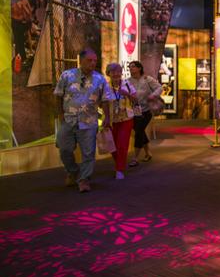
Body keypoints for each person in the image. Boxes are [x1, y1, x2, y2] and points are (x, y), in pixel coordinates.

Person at [54, 49, 114, 192]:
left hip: (89, 121)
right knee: (64, 149)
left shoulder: (100, 79)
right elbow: (58, 95)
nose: (93, 63)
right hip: (68, 120)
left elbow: (105, 100)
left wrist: (107, 117)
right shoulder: (66, 75)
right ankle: (73, 171)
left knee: (88, 152)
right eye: (89, 60)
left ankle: (84, 179)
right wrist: (60, 114)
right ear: (81, 60)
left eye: (95, 61)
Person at [126, 61, 162, 166]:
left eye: (133, 67)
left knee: (138, 132)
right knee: (140, 131)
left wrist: (153, 95)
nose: (131, 68)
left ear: (139, 68)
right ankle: (147, 153)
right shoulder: (127, 81)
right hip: (134, 111)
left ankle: (135, 158)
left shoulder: (147, 79)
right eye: (129, 67)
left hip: (146, 111)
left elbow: (159, 88)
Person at [105, 63, 136, 179]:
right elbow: (102, 103)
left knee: (122, 144)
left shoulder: (127, 84)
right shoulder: (105, 87)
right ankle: (119, 162)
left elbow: (136, 99)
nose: (116, 74)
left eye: (118, 71)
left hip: (126, 119)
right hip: (112, 120)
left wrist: (127, 94)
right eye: (113, 72)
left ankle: (119, 169)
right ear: (108, 74)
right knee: (112, 146)